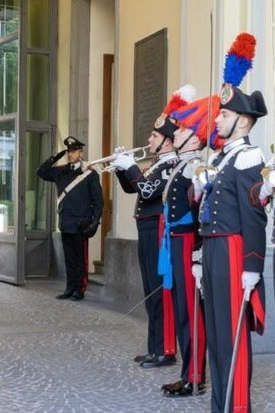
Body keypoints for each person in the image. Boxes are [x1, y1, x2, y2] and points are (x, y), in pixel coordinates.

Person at [194, 33, 267, 412]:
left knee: (232, 334)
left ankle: (237, 406)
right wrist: (197, 255)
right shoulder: (221, 159)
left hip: (235, 250)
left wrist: (253, 266)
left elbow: (256, 215)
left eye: (223, 114)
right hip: (213, 247)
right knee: (217, 335)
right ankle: (220, 404)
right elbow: (207, 211)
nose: (216, 119)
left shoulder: (249, 157)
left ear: (242, 120)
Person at [110, 85, 193, 368]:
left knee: (158, 291)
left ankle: (165, 349)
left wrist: (131, 166)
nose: (149, 139)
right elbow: (134, 189)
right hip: (146, 229)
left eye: (154, 135)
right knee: (150, 291)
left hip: (158, 230)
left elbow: (147, 191)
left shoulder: (171, 165)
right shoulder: (158, 163)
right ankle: (154, 346)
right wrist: (123, 169)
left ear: (168, 142)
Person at [158, 94, 217, 397]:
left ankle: (195, 376)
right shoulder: (183, 164)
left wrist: (197, 251)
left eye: (181, 130)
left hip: (188, 243)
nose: (175, 133)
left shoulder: (196, 166)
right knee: (182, 310)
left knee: (191, 312)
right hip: (175, 242)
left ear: (195, 139)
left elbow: (200, 210)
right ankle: (188, 372)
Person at [37, 136, 103, 301]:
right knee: (69, 259)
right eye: (68, 151)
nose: (70, 154)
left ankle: (80, 289)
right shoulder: (61, 171)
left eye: (73, 151)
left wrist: (95, 222)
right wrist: (55, 157)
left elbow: (98, 201)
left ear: (80, 152)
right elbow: (41, 172)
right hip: (66, 222)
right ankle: (69, 288)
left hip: (81, 223)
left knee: (80, 259)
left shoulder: (90, 174)